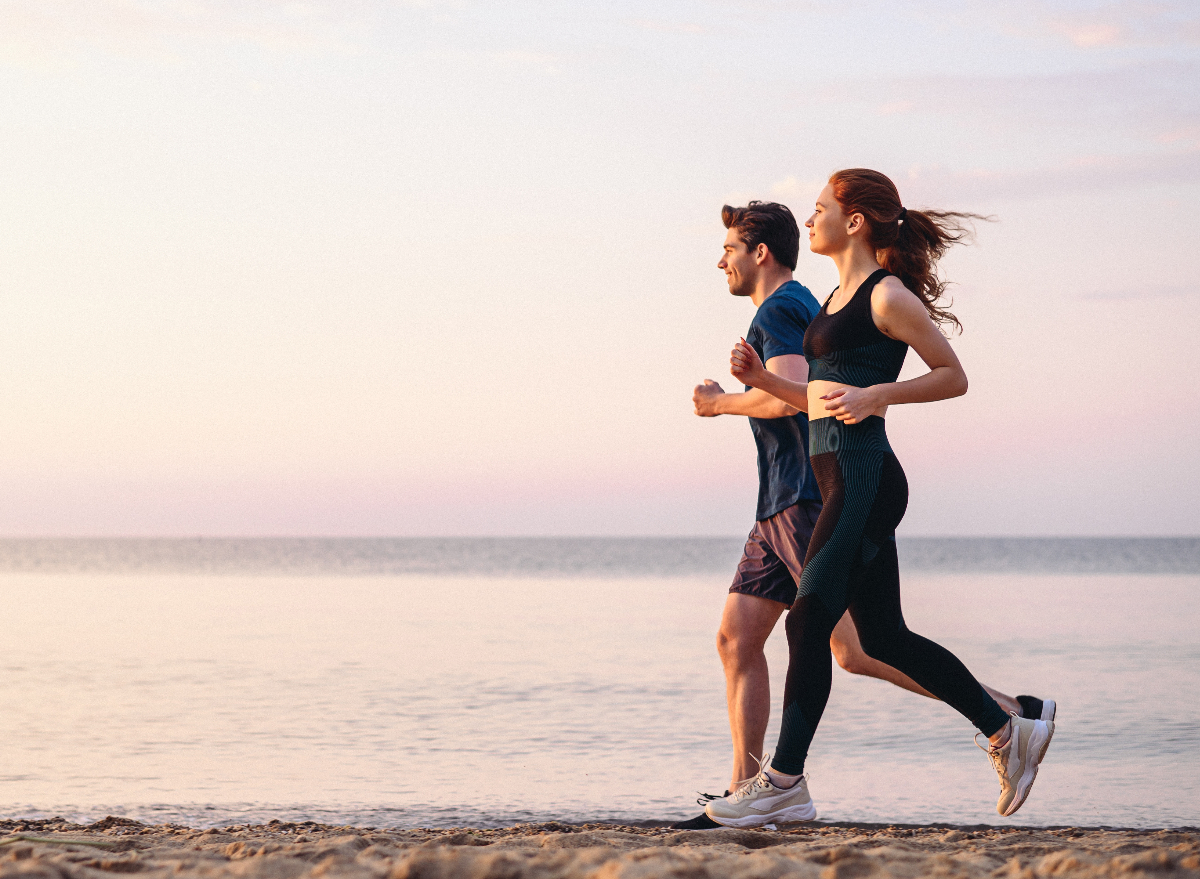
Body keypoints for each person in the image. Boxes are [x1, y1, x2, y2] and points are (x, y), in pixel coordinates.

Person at [679, 199, 1053, 830]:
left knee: (821, 633)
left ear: (854, 220)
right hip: (823, 484)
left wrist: (876, 394)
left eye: (820, 206)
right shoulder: (827, 302)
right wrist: (761, 383)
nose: (810, 217)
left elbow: (951, 375)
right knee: (876, 639)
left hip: (850, 484)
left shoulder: (878, 297)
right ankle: (1007, 724)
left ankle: (782, 785)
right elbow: (815, 401)